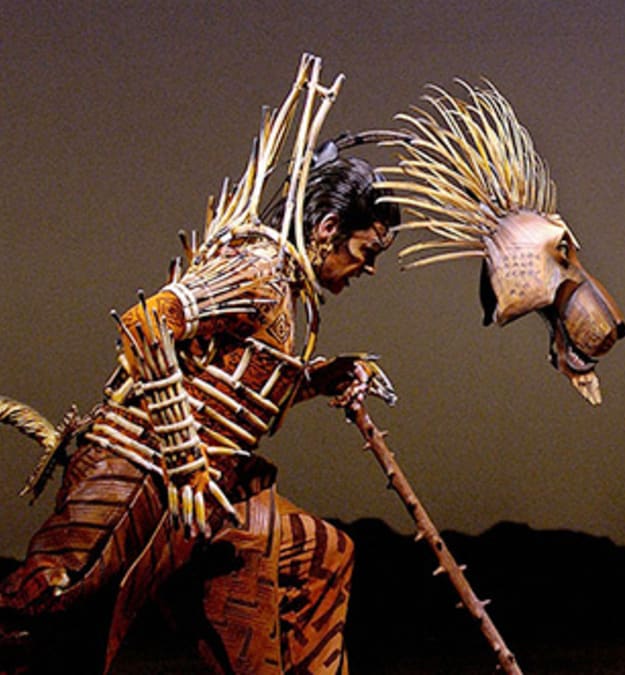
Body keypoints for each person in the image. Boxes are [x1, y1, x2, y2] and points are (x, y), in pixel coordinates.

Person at [0, 64, 400, 673]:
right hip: (139, 471)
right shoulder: (258, 269)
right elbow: (147, 323)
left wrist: (321, 379)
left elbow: (236, 388)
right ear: (326, 229)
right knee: (45, 617)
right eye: (366, 251)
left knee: (323, 555)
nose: (368, 268)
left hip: (214, 500)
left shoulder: (289, 295)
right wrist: (185, 458)